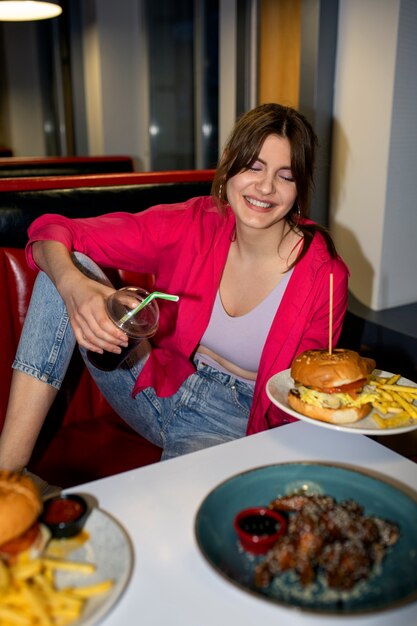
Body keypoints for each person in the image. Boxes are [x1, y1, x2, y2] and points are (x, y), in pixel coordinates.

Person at [0, 103, 349, 473]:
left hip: (233, 424)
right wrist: (74, 288)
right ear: (229, 161)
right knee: (65, 272)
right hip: (155, 388)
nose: (265, 187)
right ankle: (7, 473)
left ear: (300, 187)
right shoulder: (194, 223)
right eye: (254, 166)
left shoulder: (324, 278)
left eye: (286, 176)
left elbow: (307, 396)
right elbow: (50, 233)